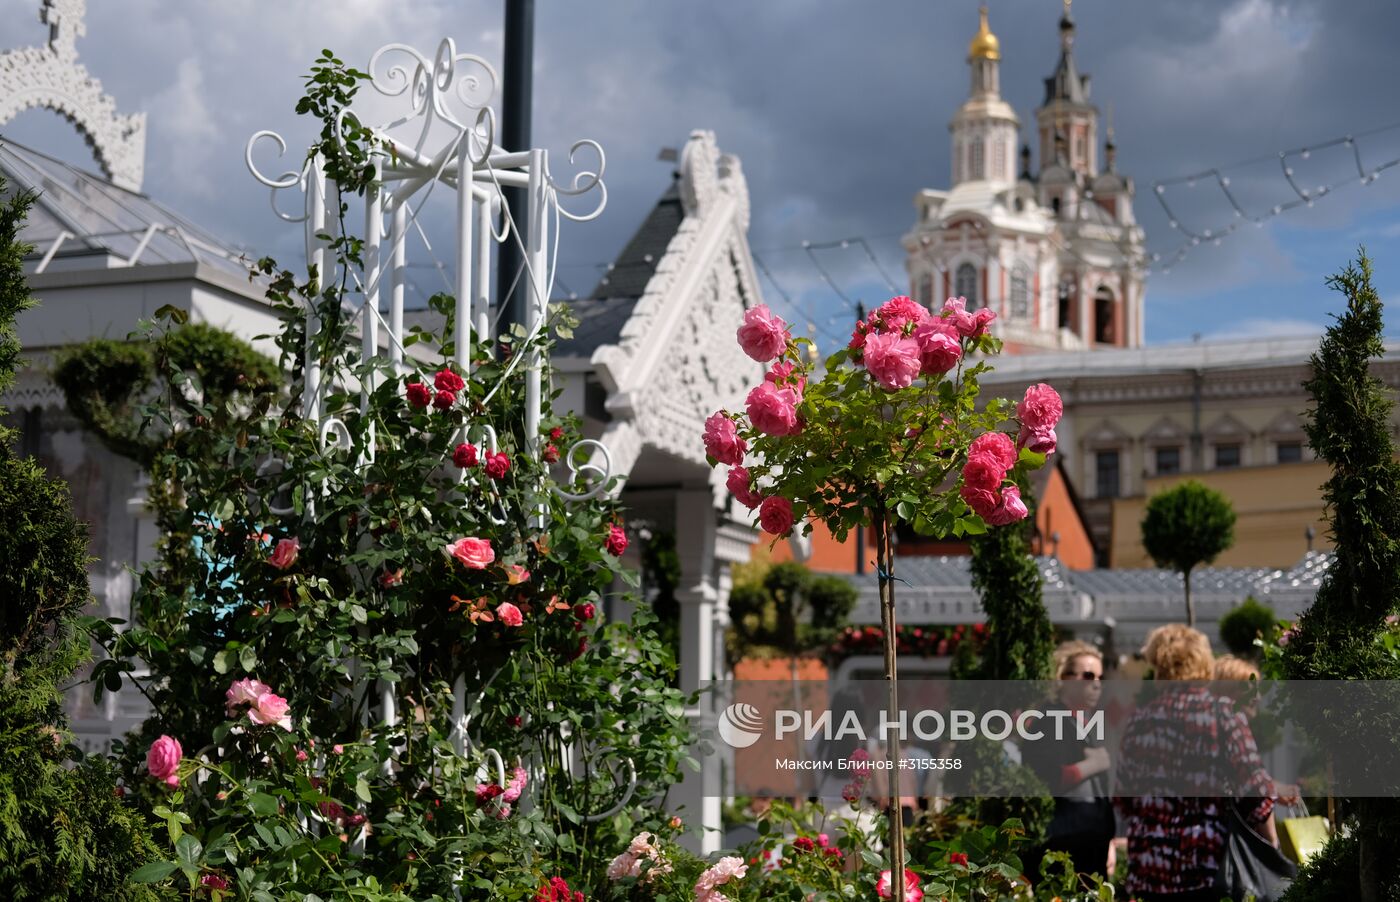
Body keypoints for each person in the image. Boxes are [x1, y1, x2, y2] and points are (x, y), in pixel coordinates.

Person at [1115, 625, 1279, 902]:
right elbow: (1256, 792)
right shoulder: (1224, 715)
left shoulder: (1139, 722)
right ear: (1204, 664)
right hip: (1207, 864)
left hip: (1150, 868)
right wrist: (1271, 844)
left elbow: (1124, 799)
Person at [1021, 640, 1117, 883]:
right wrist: (1092, 765)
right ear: (1062, 677)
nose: (1096, 684)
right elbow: (1046, 779)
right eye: (1087, 675)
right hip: (1063, 849)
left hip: (1088, 842)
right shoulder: (1051, 720)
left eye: (1099, 677)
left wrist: (1109, 840)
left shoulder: (1081, 723)